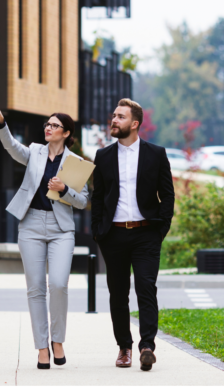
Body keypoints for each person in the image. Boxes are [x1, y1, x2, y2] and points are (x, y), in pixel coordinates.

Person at [0, 94, 89, 370]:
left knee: (58, 284)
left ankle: (58, 340)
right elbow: (11, 147)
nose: (48, 127)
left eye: (55, 125)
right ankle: (42, 348)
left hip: (61, 229)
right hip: (30, 224)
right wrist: (0, 122)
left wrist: (64, 190)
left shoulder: (77, 162)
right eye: (47, 124)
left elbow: (83, 201)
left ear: (66, 133)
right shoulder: (34, 151)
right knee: (35, 290)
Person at [91, 98, 175, 371]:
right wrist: (98, 232)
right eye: (114, 115)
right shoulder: (103, 156)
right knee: (118, 293)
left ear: (134, 124)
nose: (114, 120)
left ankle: (147, 346)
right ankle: (124, 347)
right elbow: (99, 196)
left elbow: (168, 195)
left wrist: (160, 228)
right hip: (113, 235)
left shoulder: (156, 154)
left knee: (146, 288)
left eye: (120, 117)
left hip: (146, 234)